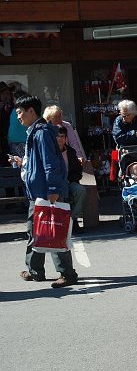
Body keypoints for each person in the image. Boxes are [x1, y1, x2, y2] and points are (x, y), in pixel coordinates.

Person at [14, 94, 79, 288]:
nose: (18, 117)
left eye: (20, 113)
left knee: (54, 231)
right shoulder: (35, 131)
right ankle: (35, 271)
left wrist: (52, 190)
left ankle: (67, 274)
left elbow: (51, 164)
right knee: (35, 230)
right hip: (39, 192)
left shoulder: (41, 132)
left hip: (46, 192)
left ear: (31, 111)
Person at [56, 125, 87, 233]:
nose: (60, 139)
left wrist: (70, 180)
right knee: (59, 194)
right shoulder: (50, 152)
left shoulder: (71, 152)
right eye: (57, 136)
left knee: (80, 190)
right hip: (55, 185)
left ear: (65, 138)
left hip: (69, 182)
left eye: (62, 136)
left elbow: (78, 171)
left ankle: (73, 220)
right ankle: (61, 223)